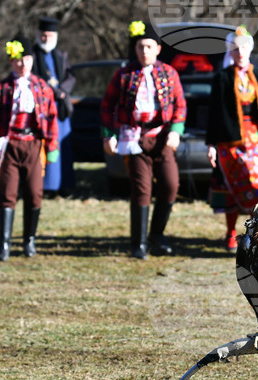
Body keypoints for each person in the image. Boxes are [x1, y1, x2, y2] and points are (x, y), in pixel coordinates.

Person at [100, 21, 185, 259]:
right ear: (135, 49)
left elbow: (180, 105)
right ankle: (138, 243)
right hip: (134, 137)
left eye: (149, 46)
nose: (144, 51)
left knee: (170, 185)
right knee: (142, 189)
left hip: (161, 137)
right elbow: (107, 106)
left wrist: (176, 129)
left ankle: (156, 234)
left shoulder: (169, 73)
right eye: (140, 47)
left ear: (158, 48)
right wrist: (109, 134)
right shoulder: (124, 75)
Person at [0, 36, 59, 261]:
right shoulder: (1, 88)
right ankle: (4, 244)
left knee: (35, 193)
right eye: (17, 60)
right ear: (10, 62)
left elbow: (52, 118)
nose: (22, 64)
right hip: (10, 145)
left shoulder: (42, 88)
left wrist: (52, 146)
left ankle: (29, 240)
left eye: (26, 59)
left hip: (34, 145)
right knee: (7, 193)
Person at [206, 26, 258, 251]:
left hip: (256, 140)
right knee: (231, 186)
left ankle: (256, 234)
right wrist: (211, 143)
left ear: (250, 49)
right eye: (235, 49)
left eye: (244, 48)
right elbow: (214, 112)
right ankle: (230, 233)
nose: (240, 53)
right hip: (230, 141)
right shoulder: (221, 78)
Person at [32, 17, 76, 198]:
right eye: (43, 35)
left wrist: (62, 91)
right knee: (47, 146)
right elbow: (35, 79)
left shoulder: (61, 55)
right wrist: (52, 91)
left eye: (49, 35)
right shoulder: (33, 56)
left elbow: (70, 77)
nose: (45, 39)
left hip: (61, 110)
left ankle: (64, 186)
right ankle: (48, 187)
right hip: (43, 109)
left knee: (63, 148)